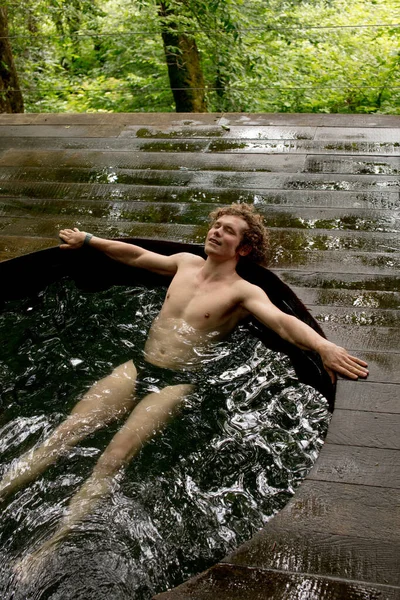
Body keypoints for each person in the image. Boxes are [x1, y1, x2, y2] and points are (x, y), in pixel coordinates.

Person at [2, 203, 368, 570]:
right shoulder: (184, 263)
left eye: (228, 230)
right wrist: (90, 240)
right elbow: (136, 256)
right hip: (138, 365)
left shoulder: (243, 292)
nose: (216, 231)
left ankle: (45, 549)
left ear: (243, 248)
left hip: (177, 383)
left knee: (110, 461)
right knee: (63, 434)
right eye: (216, 225)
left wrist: (323, 346)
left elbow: (282, 321)